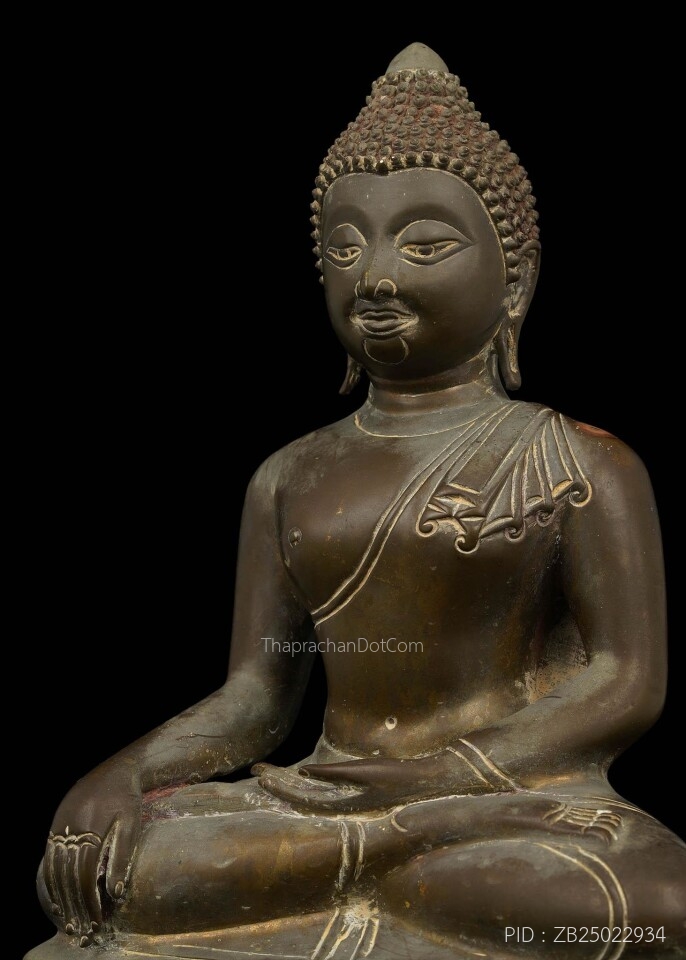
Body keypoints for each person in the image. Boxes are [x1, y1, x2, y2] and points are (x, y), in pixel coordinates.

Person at [28, 44, 686, 960]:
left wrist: (441, 776)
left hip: (508, 803)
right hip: (326, 799)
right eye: (345, 248)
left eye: (425, 245)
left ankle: (377, 866)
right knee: (106, 870)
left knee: (654, 905)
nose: (375, 276)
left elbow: (624, 680)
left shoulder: (579, 459)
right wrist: (122, 774)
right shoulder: (288, 474)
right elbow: (257, 695)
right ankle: (383, 867)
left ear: (516, 281)